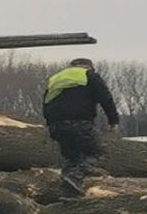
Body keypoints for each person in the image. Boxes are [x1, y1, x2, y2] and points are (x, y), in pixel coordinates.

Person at [43, 58, 119, 194]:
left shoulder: (56, 79)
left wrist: (51, 125)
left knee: (72, 157)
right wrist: (113, 121)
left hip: (57, 125)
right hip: (80, 122)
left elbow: (46, 103)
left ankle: (66, 191)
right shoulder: (89, 76)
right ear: (89, 67)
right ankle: (74, 177)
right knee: (98, 153)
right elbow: (106, 98)